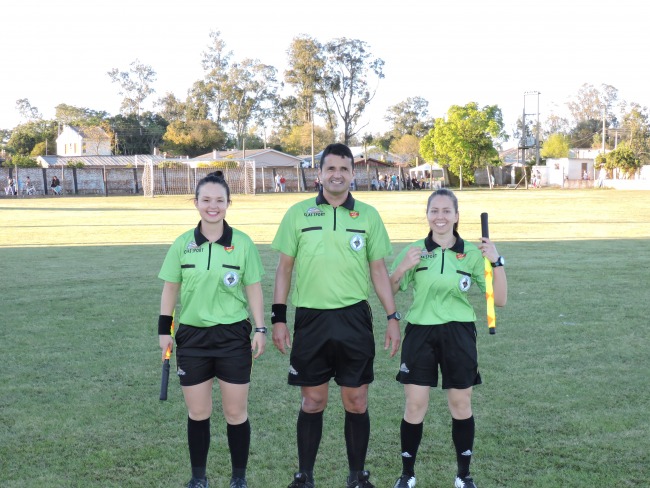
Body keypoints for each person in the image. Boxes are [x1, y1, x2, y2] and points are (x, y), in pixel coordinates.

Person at [271, 143, 401, 488]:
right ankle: (305, 476)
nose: (337, 174)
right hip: (311, 319)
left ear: (352, 174)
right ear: (319, 174)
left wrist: (392, 316)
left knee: (356, 400)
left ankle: (357, 476)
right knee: (313, 400)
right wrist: (278, 318)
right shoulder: (298, 214)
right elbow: (284, 269)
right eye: (331, 168)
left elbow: (378, 270)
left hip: (353, 319)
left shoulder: (368, 216)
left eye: (344, 169)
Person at [388, 188, 507, 488]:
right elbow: (387, 291)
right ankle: (407, 474)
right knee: (415, 404)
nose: (440, 217)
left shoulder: (472, 253)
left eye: (446, 211)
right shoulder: (415, 250)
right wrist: (402, 268)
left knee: (460, 402)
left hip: (459, 333)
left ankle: (463, 475)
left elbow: (500, 299)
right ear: (427, 215)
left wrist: (497, 260)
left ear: (456, 216)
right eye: (434, 211)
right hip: (420, 332)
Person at [157, 171, 267, 488]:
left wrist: (260, 328)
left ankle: (238, 478)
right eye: (206, 200)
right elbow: (170, 288)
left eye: (219, 200)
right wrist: (164, 330)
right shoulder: (182, 244)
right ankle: (199, 478)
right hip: (192, 338)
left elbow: (254, 289)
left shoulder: (243, 243)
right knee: (198, 412)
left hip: (233, 337)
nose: (213, 206)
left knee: (235, 412)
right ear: (196, 203)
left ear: (228, 203)